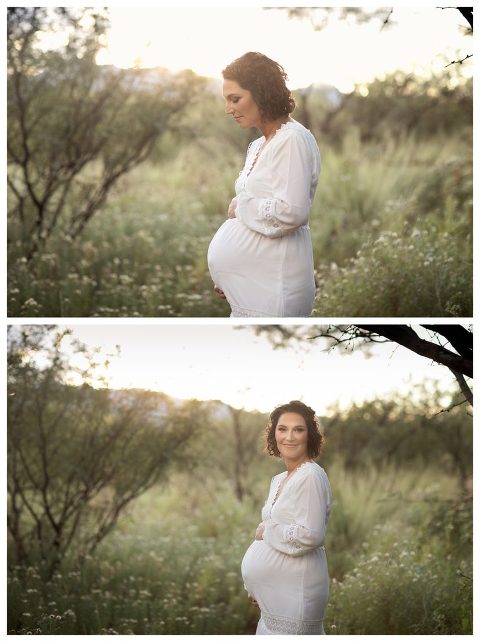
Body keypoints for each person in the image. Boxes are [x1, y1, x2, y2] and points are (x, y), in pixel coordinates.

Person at [207, 52, 321, 317]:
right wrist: (232, 275)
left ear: (260, 93)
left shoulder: (292, 140)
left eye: (235, 99)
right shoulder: (259, 144)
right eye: (226, 100)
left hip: (275, 291)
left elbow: (291, 213)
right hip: (251, 289)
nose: (228, 109)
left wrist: (241, 205)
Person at [241, 401, 333, 635]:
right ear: (274, 434)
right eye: (282, 429)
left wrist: (267, 531)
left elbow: (310, 536)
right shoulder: (279, 479)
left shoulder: (310, 475)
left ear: (309, 435)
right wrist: (260, 586)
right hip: (275, 598)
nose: (289, 437)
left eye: (298, 429)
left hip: (297, 594)